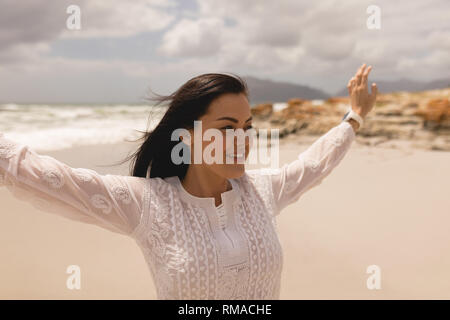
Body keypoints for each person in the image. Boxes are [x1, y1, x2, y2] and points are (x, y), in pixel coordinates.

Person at [0, 64, 377, 299]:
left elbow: (315, 164)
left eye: (247, 128)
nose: (242, 141)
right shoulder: (146, 203)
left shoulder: (263, 191)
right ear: (187, 137)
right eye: (227, 128)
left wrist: (354, 118)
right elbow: (44, 176)